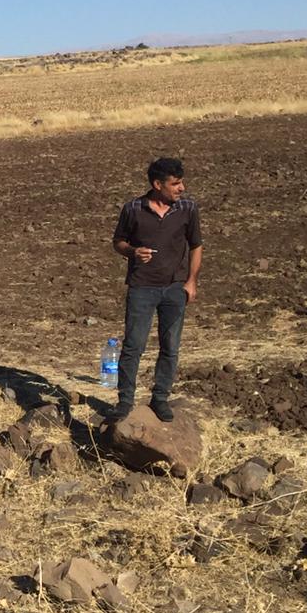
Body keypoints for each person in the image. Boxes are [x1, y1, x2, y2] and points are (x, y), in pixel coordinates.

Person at [108, 156, 203, 423]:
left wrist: (191, 281)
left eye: (182, 182)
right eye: (175, 183)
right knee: (133, 346)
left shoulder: (187, 208)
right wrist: (132, 251)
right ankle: (125, 401)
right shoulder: (133, 209)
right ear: (157, 184)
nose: (182, 188)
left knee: (170, 346)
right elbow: (118, 242)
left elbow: (196, 245)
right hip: (142, 288)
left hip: (175, 288)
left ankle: (160, 398)